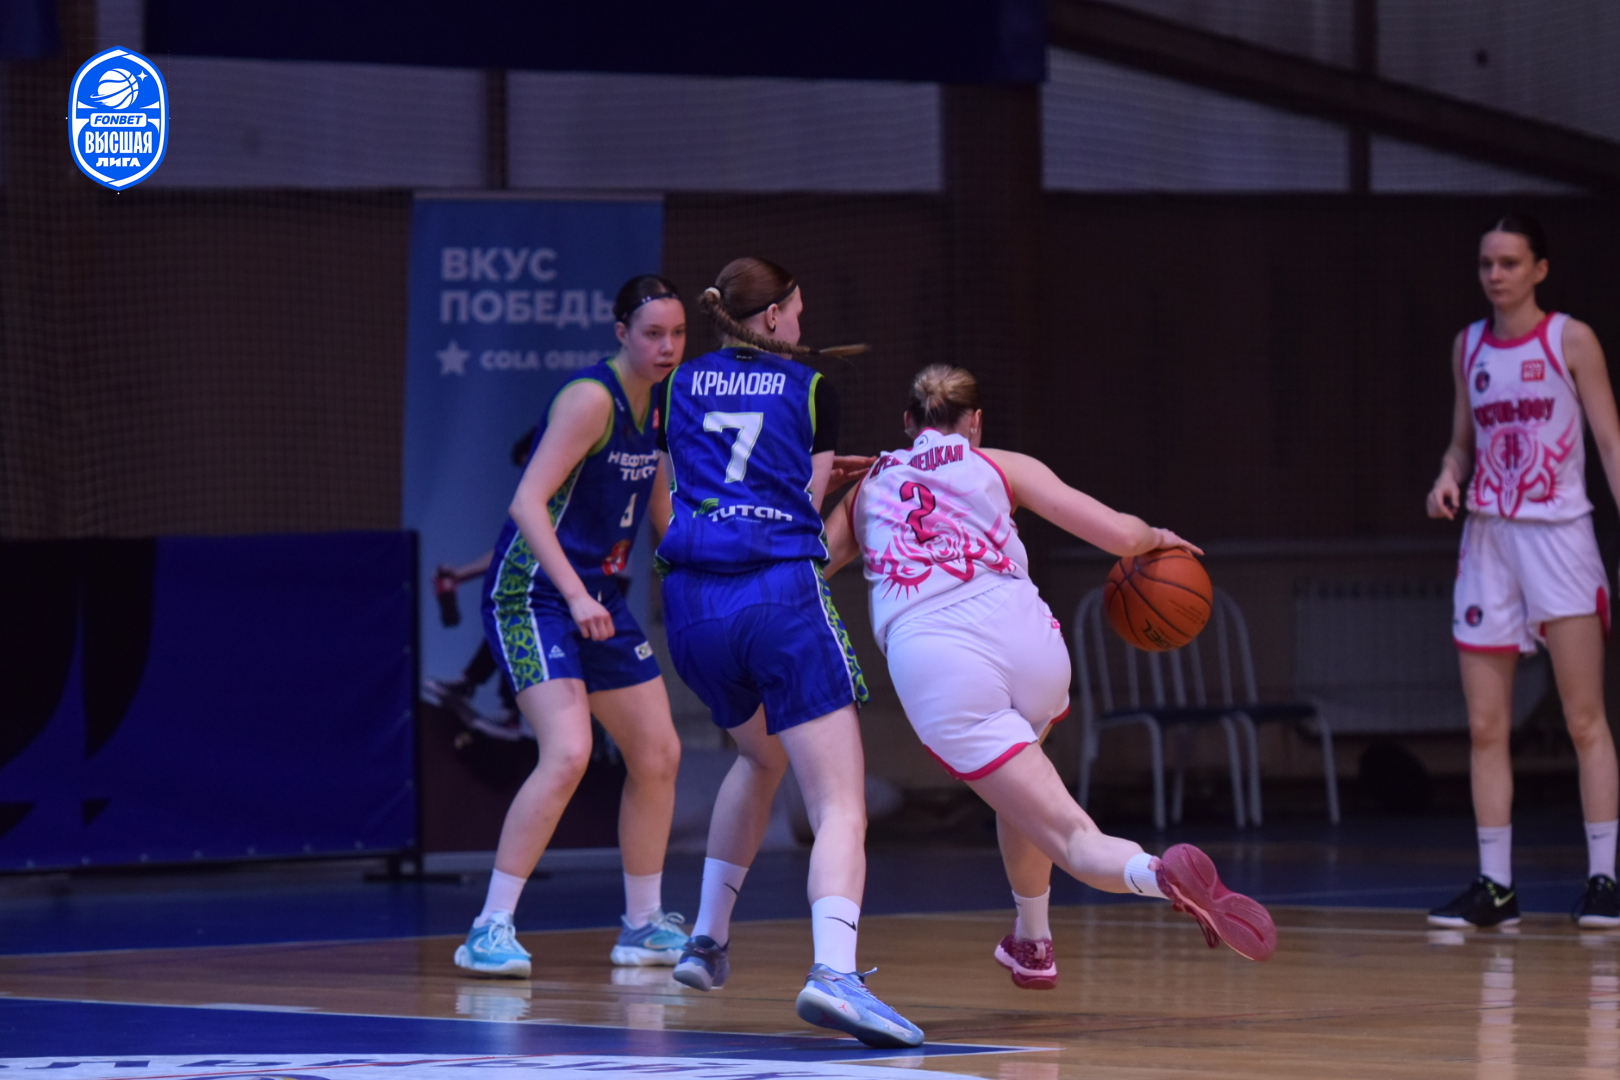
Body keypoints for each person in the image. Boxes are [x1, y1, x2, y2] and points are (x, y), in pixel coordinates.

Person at [817, 363, 1277, 990]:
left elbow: (806, 563)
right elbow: (1120, 534)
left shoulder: (870, 486)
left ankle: (1157, 874)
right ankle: (1032, 941)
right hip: (1029, 639)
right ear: (975, 423)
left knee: (1075, 837)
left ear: (907, 422)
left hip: (939, 657)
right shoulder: (1000, 464)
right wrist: (1155, 537)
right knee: (1025, 785)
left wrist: (816, 490)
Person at [656, 257, 922, 1049]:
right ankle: (834, 974)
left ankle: (706, 940)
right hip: (774, 595)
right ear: (772, 317)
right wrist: (829, 488)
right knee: (839, 802)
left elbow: (678, 494)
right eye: (797, 311)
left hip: (692, 605)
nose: (803, 325)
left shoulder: (676, 385)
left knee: (759, 757)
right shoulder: (812, 390)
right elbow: (802, 510)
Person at [453, 275, 691, 978]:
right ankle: (489, 927)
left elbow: (664, 514)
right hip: (533, 593)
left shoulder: (661, 405)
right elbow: (527, 503)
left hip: (598, 596)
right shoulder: (590, 399)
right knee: (568, 752)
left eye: (678, 334)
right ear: (621, 334)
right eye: (653, 334)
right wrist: (576, 594)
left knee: (658, 753)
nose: (668, 346)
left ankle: (642, 926)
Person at [1425, 213, 1620, 930]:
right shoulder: (1468, 345)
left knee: (1583, 717)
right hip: (1488, 541)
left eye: (1509, 262)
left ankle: (1605, 880)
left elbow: (1610, 442)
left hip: (1560, 537)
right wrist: (1448, 476)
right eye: (1487, 263)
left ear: (1540, 269)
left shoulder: (1571, 339)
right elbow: (1461, 442)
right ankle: (1496, 888)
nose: (1495, 275)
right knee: (1485, 725)